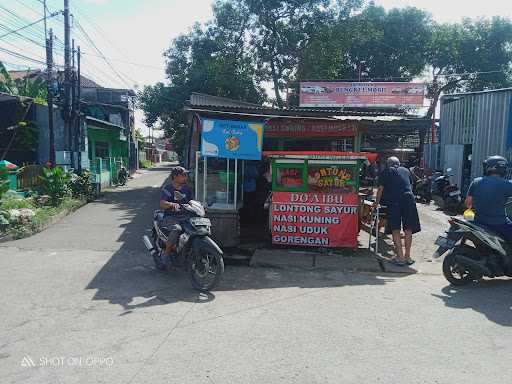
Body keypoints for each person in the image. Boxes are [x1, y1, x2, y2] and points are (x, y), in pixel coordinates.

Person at [373, 156, 421, 266]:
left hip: (395, 201)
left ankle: (400, 258)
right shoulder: (406, 170)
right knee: (408, 228)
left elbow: (380, 189)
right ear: (399, 164)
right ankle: (407, 257)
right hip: (409, 199)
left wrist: (376, 203)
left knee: (395, 229)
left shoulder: (386, 171)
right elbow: (410, 185)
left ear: (388, 164)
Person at [465, 155, 512, 242]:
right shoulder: (508, 184)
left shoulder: (476, 181)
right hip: (499, 223)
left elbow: (468, 203)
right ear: (502, 168)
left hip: (478, 221)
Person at [158, 166, 193, 268]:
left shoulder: (187, 189)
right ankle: (166, 254)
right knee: (177, 229)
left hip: (185, 216)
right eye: (183, 175)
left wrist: (200, 206)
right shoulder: (168, 188)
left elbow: (191, 201)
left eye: (186, 175)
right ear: (175, 177)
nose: (186, 177)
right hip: (171, 217)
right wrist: (171, 204)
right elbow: (162, 203)